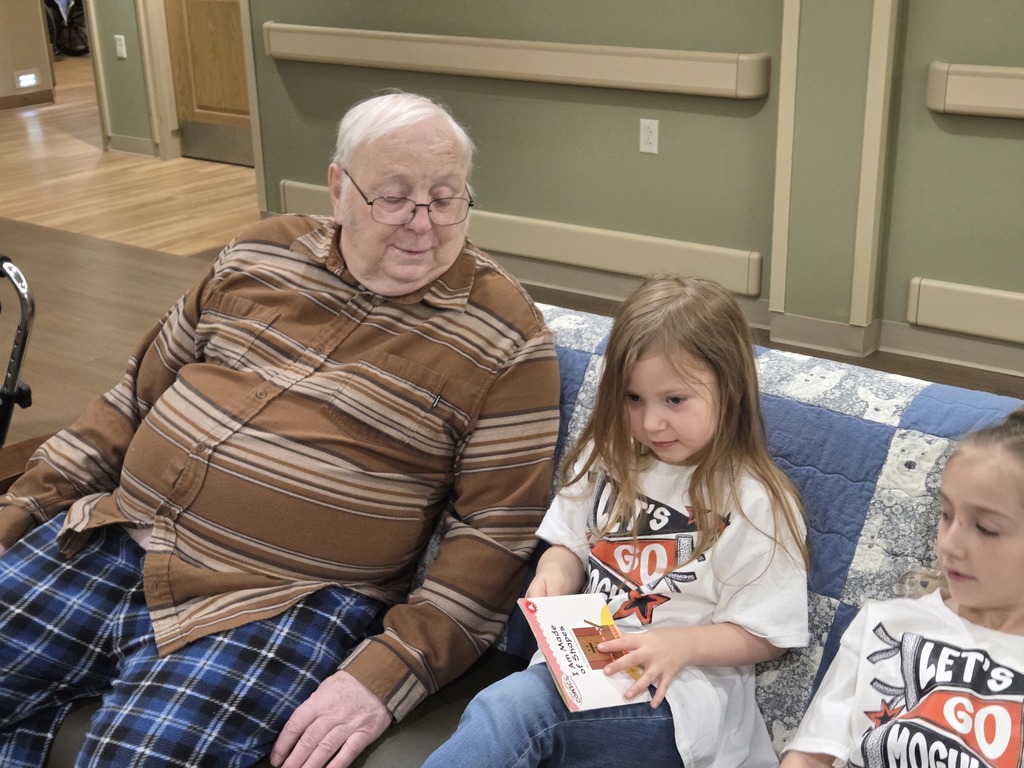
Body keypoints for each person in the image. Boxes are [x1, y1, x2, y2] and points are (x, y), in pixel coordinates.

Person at [0, 91, 561, 768]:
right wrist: (18, 510)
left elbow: (495, 537)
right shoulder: (260, 252)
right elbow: (129, 401)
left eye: (446, 198)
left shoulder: (506, 339)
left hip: (275, 602)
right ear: (339, 188)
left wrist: (388, 673)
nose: (424, 224)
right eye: (394, 198)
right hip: (107, 538)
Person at [422, 275, 810, 768]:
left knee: (511, 711)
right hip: (579, 674)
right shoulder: (608, 456)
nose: (651, 423)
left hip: (677, 704)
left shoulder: (756, 502)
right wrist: (553, 576)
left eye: (675, 400)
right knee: (517, 714)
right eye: (633, 399)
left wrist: (679, 644)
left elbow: (768, 634)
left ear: (730, 390)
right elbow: (569, 546)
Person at [780, 409, 1024, 768]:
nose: (949, 545)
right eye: (945, 514)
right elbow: (810, 756)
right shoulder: (885, 626)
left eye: (986, 528)